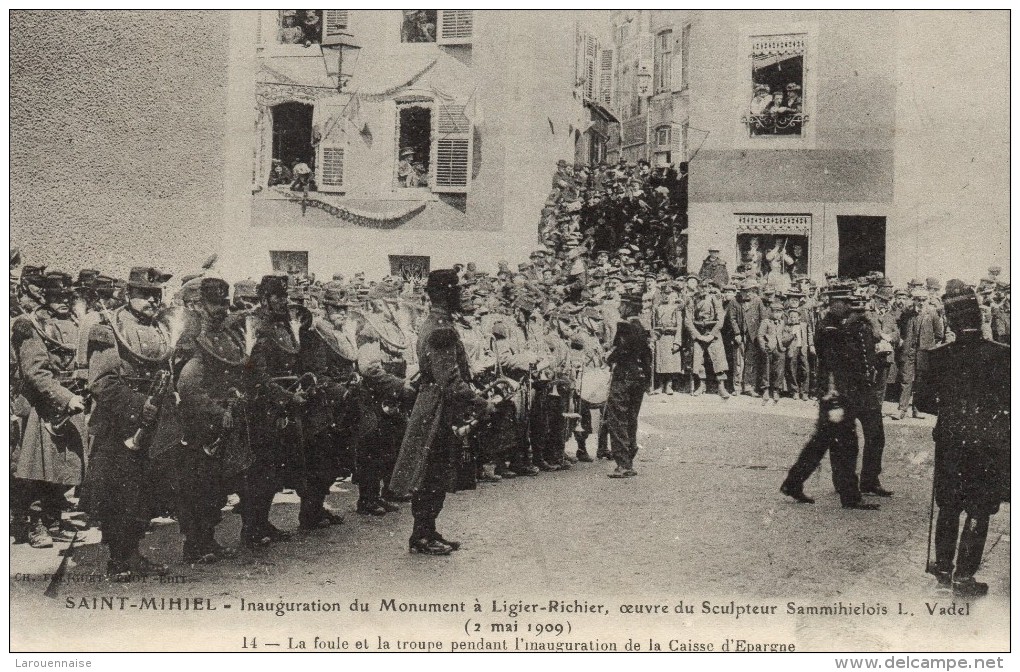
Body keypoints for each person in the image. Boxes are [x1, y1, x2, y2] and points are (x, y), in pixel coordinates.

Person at [81, 266, 177, 580]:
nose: (152, 300)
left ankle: (132, 552)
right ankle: (118, 559)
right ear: (128, 294)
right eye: (144, 294)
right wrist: (138, 406)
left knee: (146, 492)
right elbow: (102, 381)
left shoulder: (161, 328)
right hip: (119, 423)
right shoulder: (109, 327)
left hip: (155, 420)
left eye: (156, 294)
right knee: (119, 493)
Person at [389, 270, 493, 555]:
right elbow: (449, 379)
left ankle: (428, 530)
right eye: (457, 290)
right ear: (446, 294)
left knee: (436, 471)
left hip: (435, 404)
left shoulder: (439, 323)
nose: (462, 295)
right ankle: (421, 536)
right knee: (431, 473)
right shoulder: (441, 329)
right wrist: (479, 403)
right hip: (437, 409)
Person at [926, 280, 1009, 596]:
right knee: (979, 507)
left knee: (948, 505)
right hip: (988, 444)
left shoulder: (939, 356)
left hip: (949, 441)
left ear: (950, 320)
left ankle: (944, 569)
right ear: (980, 317)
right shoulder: (1003, 355)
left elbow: (922, 401)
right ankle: (964, 577)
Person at [780, 285, 880, 511]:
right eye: (844, 302)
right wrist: (835, 396)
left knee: (821, 443)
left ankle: (793, 482)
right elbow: (836, 361)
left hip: (837, 393)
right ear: (833, 302)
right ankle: (850, 497)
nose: (847, 306)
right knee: (846, 444)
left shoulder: (836, 325)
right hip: (835, 393)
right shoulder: (829, 327)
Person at [10, 271, 87, 548]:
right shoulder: (29, 324)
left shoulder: (75, 323)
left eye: (67, 296)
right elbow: (35, 372)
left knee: (63, 468)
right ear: (43, 295)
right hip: (41, 405)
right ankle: (35, 525)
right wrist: (64, 397)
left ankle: (54, 520)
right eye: (56, 296)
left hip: (70, 403)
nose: (63, 301)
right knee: (36, 471)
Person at [174, 278, 244, 564]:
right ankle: (196, 543)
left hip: (224, 418)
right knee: (198, 485)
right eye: (214, 304)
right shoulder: (190, 336)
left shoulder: (224, 334)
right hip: (199, 422)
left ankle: (208, 538)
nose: (221, 309)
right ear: (197, 305)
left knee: (215, 486)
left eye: (224, 303)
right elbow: (188, 387)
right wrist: (218, 411)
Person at [604, 294, 651, 478]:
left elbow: (620, 351)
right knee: (632, 419)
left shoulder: (624, 327)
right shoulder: (641, 327)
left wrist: (608, 357)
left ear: (628, 307)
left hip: (624, 378)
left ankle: (623, 464)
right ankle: (629, 459)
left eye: (621, 305)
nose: (619, 308)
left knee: (617, 420)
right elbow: (647, 356)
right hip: (639, 379)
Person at [757, 301, 790, 404]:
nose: (777, 314)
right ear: (771, 312)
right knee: (766, 369)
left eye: (779, 312)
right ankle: (765, 389)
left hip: (779, 349)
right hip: (768, 348)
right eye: (775, 312)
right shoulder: (766, 322)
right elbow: (760, 335)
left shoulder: (783, 322)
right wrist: (763, 347)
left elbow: (785, 334)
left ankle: (776, 389)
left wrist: (784, 345)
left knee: (779, 370)